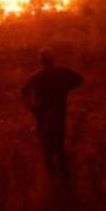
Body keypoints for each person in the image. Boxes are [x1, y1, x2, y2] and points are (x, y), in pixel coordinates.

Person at [21, 49, 83, 179]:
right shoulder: (63, 72)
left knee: (45, 143)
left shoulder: (35, 76)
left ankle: (50, 177)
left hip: (42, 114)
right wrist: (66, 88)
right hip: (59, 111)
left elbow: (24, 94)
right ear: (54, 59)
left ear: (40, 61)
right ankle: (63, 174)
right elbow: (79, 80)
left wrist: (32, 109)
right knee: (59, 140)